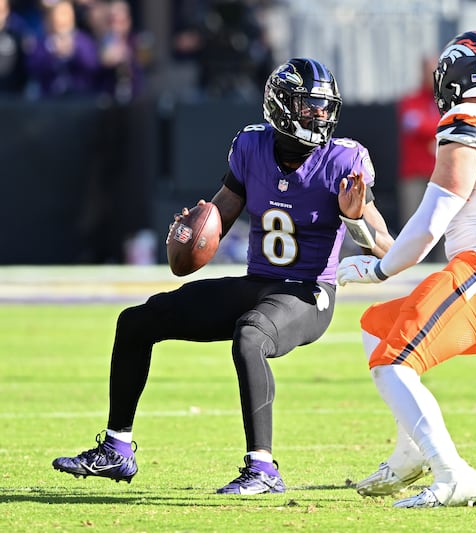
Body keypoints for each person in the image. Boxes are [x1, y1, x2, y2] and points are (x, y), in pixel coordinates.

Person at [52, 57, 393, 495]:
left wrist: (357, 219)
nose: (319, 116)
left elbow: (386, 245)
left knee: (251, 335)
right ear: (282, 105)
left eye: (324, 108)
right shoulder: (251, 147)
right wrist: (189, 235)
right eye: (309, 107)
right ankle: (117, 450)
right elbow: (215, 222)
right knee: (136, 321)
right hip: (258, 284)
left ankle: (263, 469)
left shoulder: (343, 160)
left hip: (309, 293)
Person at [337, 30, 476, 508]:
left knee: (392, 361)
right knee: (378, 327)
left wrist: (379, 269)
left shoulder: (467, 119)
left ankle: (452, 473)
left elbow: (428, 227)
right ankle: (409, 450)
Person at [396, 55, 444, 262]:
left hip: (441, 174)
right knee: (413, 226)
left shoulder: (446, 101)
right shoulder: (410, 100)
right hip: (415, 175)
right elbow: (414, 123)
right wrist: (442, 131)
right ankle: (408, 268)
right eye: (428, 70)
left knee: (445, 225)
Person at [26, 0, 99, 98]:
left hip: (80, 99)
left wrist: (74, 52)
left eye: (65, 13)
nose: (62, 19)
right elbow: (33, 68)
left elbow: (92, 65)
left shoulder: (83, 41)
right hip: (49, 100)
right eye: (57, 14)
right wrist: (51, 54)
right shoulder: (42, 43)